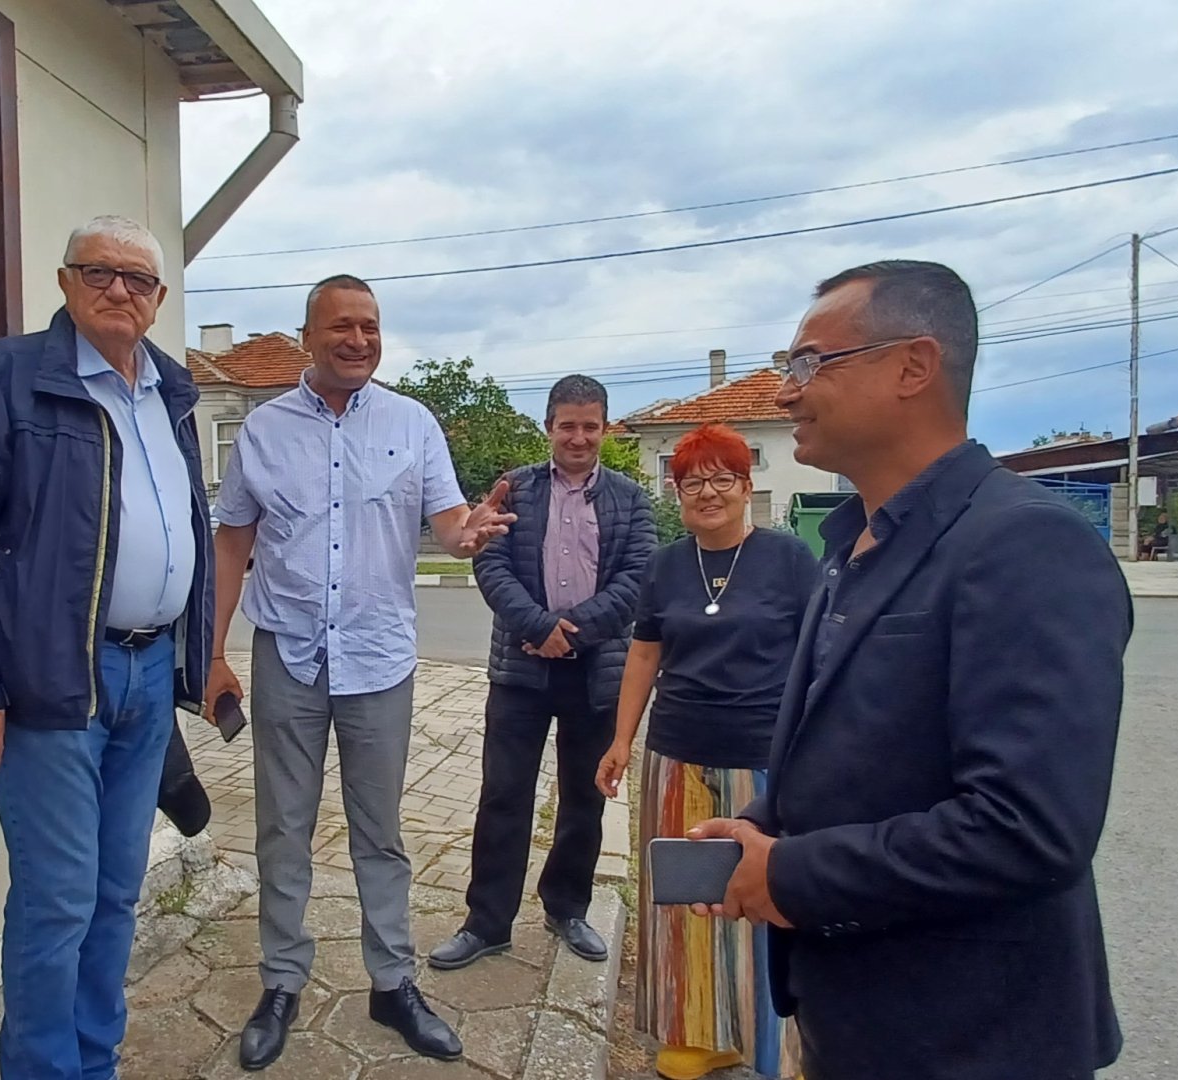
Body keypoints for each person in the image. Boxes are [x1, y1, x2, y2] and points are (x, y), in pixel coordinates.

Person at [688, 260, 1132, 1080]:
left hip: (968, 1037)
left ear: (913, 367)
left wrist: (791, 872)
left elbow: (1027, 827)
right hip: (850, 1014)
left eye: (810, 362)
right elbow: (861, 756)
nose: (787, 391)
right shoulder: (853, 541)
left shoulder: (1026, 544)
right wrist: (763, 833)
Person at [0, 214, 215, 1080]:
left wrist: (197, 657)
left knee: (116, 892)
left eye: (139, 279)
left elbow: (188, 526)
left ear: (158, 299)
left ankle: (94, 1061)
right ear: (66, 281)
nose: (119, 289)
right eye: (99, 272)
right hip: (48, 684)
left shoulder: (172, 392)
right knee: (57, 902)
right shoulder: (3, 381)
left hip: (148, 673)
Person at [204, 274, 514, 1070]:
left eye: (371, 327)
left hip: (378, 658)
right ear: (309, 336)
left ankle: (392, 981)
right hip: (288, 656)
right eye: (342, 326)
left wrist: (468, 532)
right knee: (282, 827)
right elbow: (232, 545)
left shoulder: (413, 424)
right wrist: (209, 653)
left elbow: (446, 523)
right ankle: (280, 981)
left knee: (381, 833)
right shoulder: (263, 432)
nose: (359, 340)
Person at [592, 422, 815, 1080]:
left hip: (762, 757)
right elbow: (644, 654)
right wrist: (622, 740)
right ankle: (696, 1032)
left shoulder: (790, 560)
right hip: (676, 754)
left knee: (759, 895)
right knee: (686, 903)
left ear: (748, 488)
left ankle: (768, 1043)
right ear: (678, 491)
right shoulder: (664, 567)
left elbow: (817, 660)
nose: (708, 492)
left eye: (723, 479)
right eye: (694, 481)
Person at [428, 375, 654, 973]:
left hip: (596, 671)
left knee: (585, 796)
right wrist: (538, 627)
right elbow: (489, 562)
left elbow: (637, 577)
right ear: (548, 426)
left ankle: (567, 906)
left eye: (590, 426)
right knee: (504, 795)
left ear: (604, 428)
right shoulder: (515, 490)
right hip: (520, 671)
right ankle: (487, 922)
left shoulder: (630, 499)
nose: (578, 437)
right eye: (567, 425)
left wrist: (573, 630)